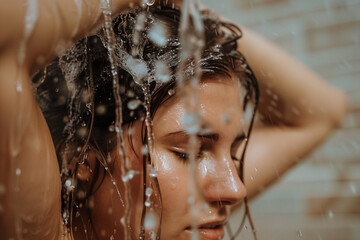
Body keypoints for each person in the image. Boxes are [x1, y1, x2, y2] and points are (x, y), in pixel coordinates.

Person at [0, 1, 346, 240]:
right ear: (80, 159)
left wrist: (184, 10)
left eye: (235, 151)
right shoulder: (37, 230)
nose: (235, 189)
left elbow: (323, 111)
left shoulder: (167, 217)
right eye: (190, 153)